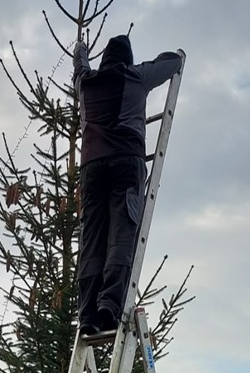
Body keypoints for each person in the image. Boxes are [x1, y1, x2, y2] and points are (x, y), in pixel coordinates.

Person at [73, 35, 182, 335]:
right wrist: (177, 54)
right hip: (125, 162)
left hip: (92, 167)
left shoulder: (86, 82)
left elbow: (79, 64)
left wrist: (81, 47)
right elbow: (171, 62)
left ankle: (87, 316)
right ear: (127, 59)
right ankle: (109, 305)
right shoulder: (135, 75)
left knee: (92, 239)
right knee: (122, 230)